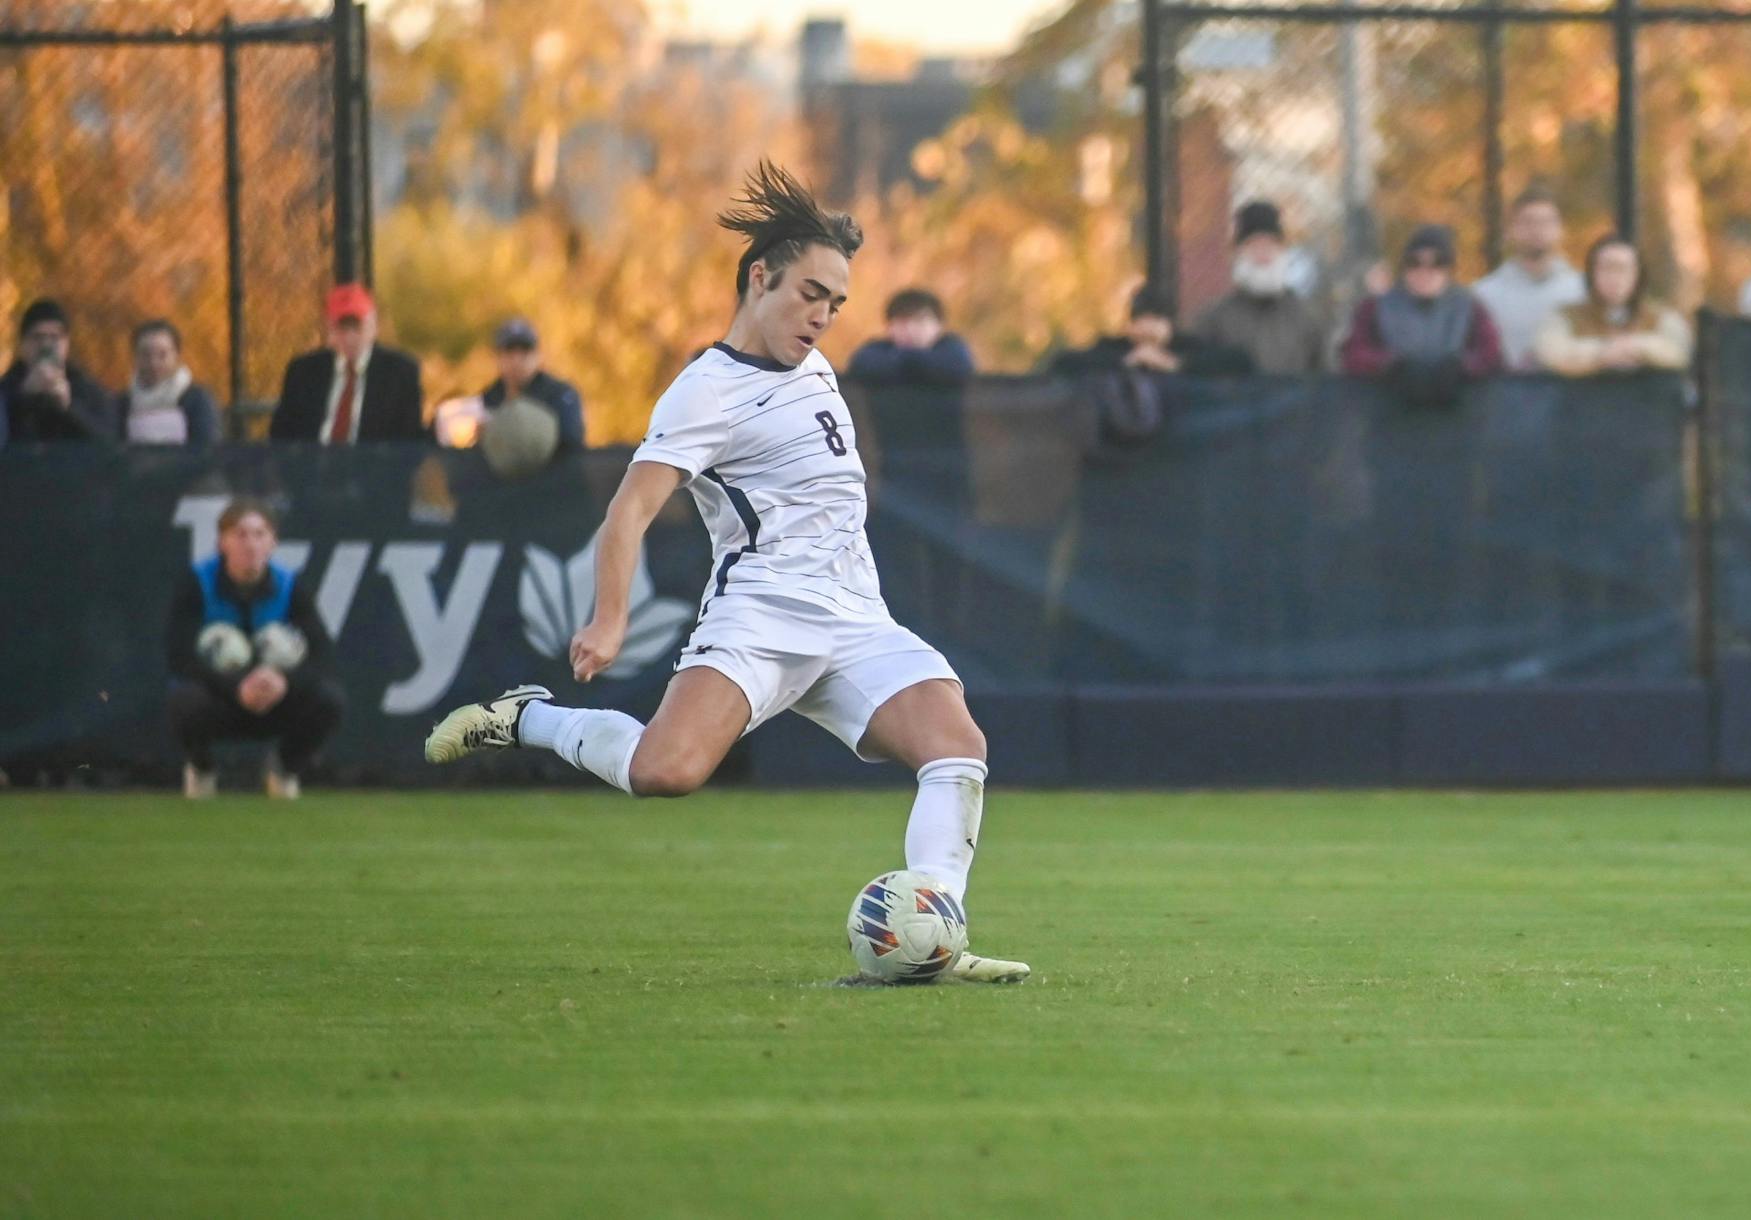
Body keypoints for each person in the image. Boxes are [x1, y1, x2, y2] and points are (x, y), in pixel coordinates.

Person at [423, 161, 1027, 983]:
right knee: (663, 772)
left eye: (836, 303)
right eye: (811, 293)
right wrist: (609, 619)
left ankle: (935, 937)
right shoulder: (703, 393)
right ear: (759, 278)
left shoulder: (814, 366)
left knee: (958, 747)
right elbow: (628, 512)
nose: (823, 316)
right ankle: (527, 718)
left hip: (853, 615)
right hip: (760, 616)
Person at [165, 498, 342, 799]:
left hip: (276, 698)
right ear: (222, 542)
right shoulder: (197, 583)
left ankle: (284, 769)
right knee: (183, 699)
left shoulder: (290, 586)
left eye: (260, 535)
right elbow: (179, 656)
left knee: (329, 700)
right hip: (219, 698)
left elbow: (321, 653)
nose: (250, 545)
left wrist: (283, 681)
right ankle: (201, 768)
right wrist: (236, 686)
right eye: (240, 535)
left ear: (273, 542)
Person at [1341, 225, 1503, 406]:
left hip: (1458, 415)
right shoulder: (1373, 308)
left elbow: (1491, 354)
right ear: (1404, 268)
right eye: (1414, 262)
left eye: (1438, 263)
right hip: (1388, 415)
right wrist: (1389, 365)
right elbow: (1353, 354)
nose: (1425, 271)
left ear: (1449, 269)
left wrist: (1461, 368)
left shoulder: (1471, 307)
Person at [270, 284, 426, 442]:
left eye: (357, 327)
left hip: (372, 464)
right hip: (312, 464)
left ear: (374, 327)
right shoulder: (303, 372)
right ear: (329, 329)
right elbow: (281, 436)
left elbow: (408, 442)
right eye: (341, 328)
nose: (349, 337)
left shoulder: (399, 373)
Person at [1188, 201, 1328, 374]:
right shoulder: (1215, 318)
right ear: (1237, 252)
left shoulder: (1306, 317)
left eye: (1270, 244)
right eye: (1253, 244)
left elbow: (1324, 377)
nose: (1263, 254)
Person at [1535, 235, 1692, 375]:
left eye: (1623, 269)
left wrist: (1637, 347)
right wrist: (1602, 353)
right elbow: (1552, 352)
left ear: (1638, 275)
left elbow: (1680, 351)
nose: (1614, 278)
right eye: (1606, 268)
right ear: (1591, 274)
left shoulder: (1660, 316)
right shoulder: (1566, 316)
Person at [1471, 187, 1587, 369]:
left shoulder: (1583, 290)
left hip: (1571, 394)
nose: (1537, 230)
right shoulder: (1484, 295)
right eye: (1527, 222)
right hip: (1507, 393)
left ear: (1560, 229)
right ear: (1510, 230)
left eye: (1546, 222)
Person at [1051, 284, 1249, 379]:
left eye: (1155, 319)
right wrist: (1127, 362)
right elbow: (1064, 362)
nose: (1148, 327)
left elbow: (1239, 361)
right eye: (1141, 320)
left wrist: (1174, 364)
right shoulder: (1114, 348)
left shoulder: (1187, 347)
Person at [0, 298, 116, 446]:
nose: (46, 345)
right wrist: (25, 397)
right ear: (23, 344)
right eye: (38, 337)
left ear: (66, 343)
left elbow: (108, 443)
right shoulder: (7, 388)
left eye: (54, 338)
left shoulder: (87, 388)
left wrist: (68, 407)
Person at [479, 317, 585, 451]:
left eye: (525, 352)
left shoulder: (560, 395)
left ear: (538, 356)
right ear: (497, 357)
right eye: (509, 352)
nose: (516, 361)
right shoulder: (488, 398)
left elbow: (571, 439)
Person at [113, 320, 220, 447]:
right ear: (135, 357)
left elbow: (207, 451)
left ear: (176, 356)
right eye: (145, 355)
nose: (153, 363)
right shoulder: (123, 404)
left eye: (162, 355)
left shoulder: (197, 400)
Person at [845, 288, 975, 385]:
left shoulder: (951, 349)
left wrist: (906, 360)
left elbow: (957, 366)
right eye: (903, 321)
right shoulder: (876, 352)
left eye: (920, 321)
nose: (911, 330)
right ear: (889, 326)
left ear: (939, 325)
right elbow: (861, 365)